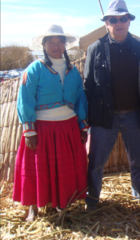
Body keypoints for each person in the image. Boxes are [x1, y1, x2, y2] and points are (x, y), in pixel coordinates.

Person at [84, 0, 140, 211]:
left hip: (135, 115)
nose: (119, 23)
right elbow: (88, 85)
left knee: (137, 162)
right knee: (96, 162)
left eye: (123, 18)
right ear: (106, 23)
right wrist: (87, 121)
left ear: (129, 22)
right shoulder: (95, 49)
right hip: (104, 117)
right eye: (113, 19)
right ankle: (92, 202)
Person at [13, 25, 89, 221]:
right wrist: (29, 131)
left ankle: (60, 204)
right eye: (51, 43)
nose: (56, 47)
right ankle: (33, 208)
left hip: (67, 127)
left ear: (65, 45)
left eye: (59, 43)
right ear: (44, 46)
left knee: (62, 169)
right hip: (43, 128)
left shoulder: (72, 70)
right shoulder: (34, 69)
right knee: (38, 168)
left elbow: (80, 98)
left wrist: (83, 125)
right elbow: (25, 99)